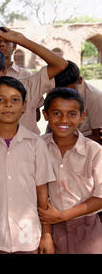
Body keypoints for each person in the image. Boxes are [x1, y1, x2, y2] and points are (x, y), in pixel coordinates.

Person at [0, 76, 55, 254]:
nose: (8, 105)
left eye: (15, 100)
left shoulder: (35, 144)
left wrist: (46, 234)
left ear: (24, 106)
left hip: (27, 235)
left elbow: (42, 191)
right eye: (0, 100)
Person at [0, 27, 68, 134]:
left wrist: (21, 40)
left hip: (30, 149)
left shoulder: (26, 87)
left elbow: (60, 64)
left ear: (3, 71)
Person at [39, 87, 102, 253]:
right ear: (46, 115)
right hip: (50, 228)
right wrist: (46, 234)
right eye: (57, 113)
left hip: (87, 227)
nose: (64, 120)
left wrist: (63, 215)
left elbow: (101, 196)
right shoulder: (38, 147)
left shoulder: (94, 151)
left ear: (82, 117)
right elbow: (39, 190)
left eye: (72, 114)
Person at [53, 60, 102, 144]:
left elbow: (98, 136)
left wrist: (68, 142)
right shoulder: (53, 88)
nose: (63, 94)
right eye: (59, 89)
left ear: (80, 80)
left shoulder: (94, 97)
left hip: (84, 145)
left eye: (67, 89)